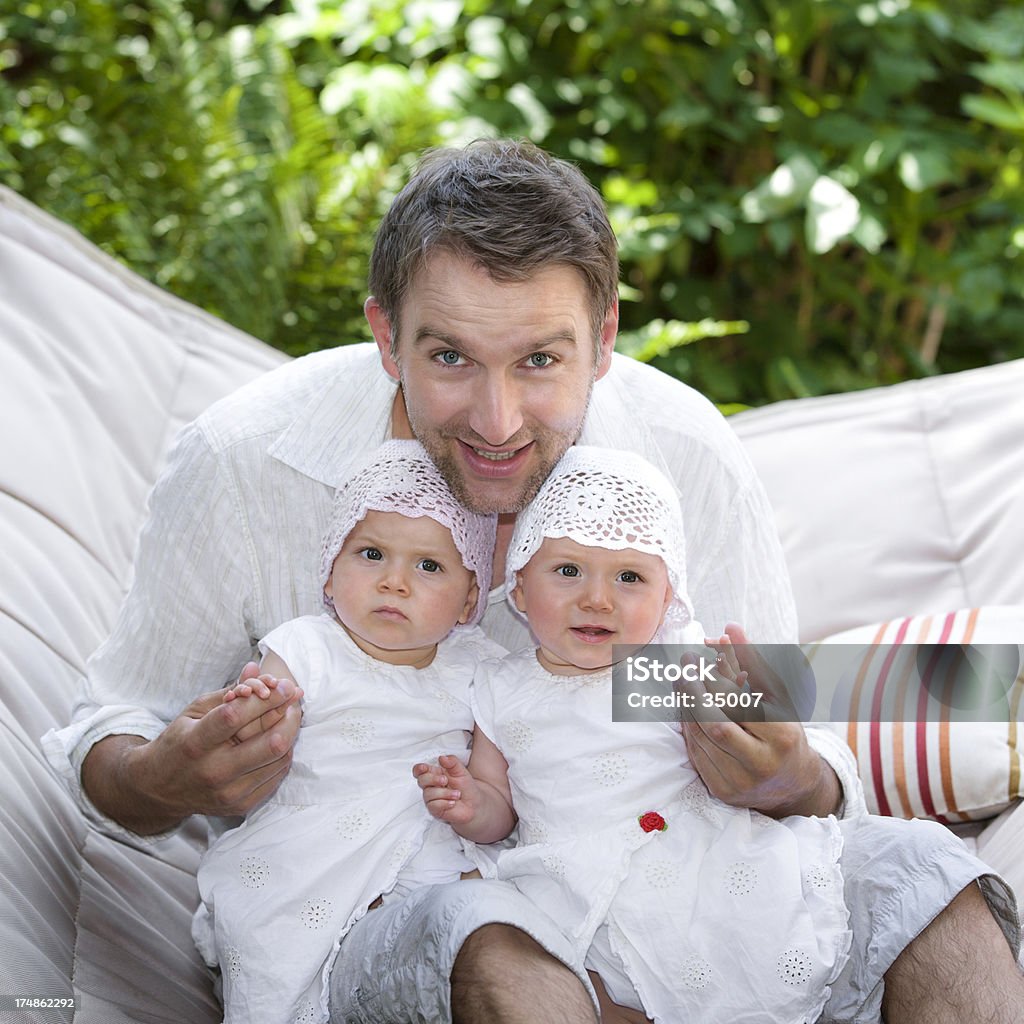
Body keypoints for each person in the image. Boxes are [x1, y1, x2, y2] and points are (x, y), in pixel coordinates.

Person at [42, 139, 1022, 1023]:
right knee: (490, 932)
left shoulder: (684, 460)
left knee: (928, 873)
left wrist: (789, 774)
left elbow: (781, 736)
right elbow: (112, 727)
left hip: (680, 894)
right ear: (387, 337)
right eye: (451, 357)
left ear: (605, 341)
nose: (499, 420)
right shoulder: (243, 464)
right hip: (414, 916)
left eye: (541, 360)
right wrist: (164, 775)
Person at [415, 445, 1018, 1022]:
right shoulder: (500, 686)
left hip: (701, 861)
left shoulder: (664, 668)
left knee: (758, 932)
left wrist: (757, 705)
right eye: (568, 571)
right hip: (573, 884)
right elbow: (501, 809)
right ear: (519, 588)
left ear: (667, 597)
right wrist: (471, 804)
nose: (596, 599)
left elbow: (797, 724)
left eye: (629, 577)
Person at [191, 439, 543, 1023]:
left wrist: (469, 802)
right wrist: (257, 709)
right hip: (310, 847)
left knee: (491, 922)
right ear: (329, 576)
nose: (395, 582)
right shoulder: (306, 647)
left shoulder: (480, 669)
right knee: (278, 946)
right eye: (372, 554)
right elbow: (257, 748)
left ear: (468, 601)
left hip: (426, 853)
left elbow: (500, 810)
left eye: (429, 566)